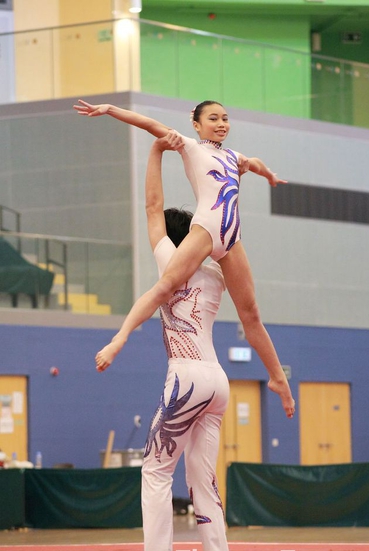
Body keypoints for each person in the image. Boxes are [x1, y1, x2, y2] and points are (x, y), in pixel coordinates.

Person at [73, 98, 295, 419]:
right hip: (206, 230)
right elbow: (150, 125)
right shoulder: (191, 147)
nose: (221, 124)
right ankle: (119, 339)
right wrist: (110, 110)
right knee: (165, 287)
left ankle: (277, 379)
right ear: (196, 124)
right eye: (213, 118)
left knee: (251, 314)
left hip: (231, 238)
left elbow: (253, 162)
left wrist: (268, 174)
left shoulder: (234, 157)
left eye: (225, 118)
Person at [126, 133, 233, 551]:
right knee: (202, 477)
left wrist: (155, 151)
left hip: (186, 378)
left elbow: (153, 207)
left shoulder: (170, 259)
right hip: (219, 381)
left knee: (155, 468)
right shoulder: (217, 270)